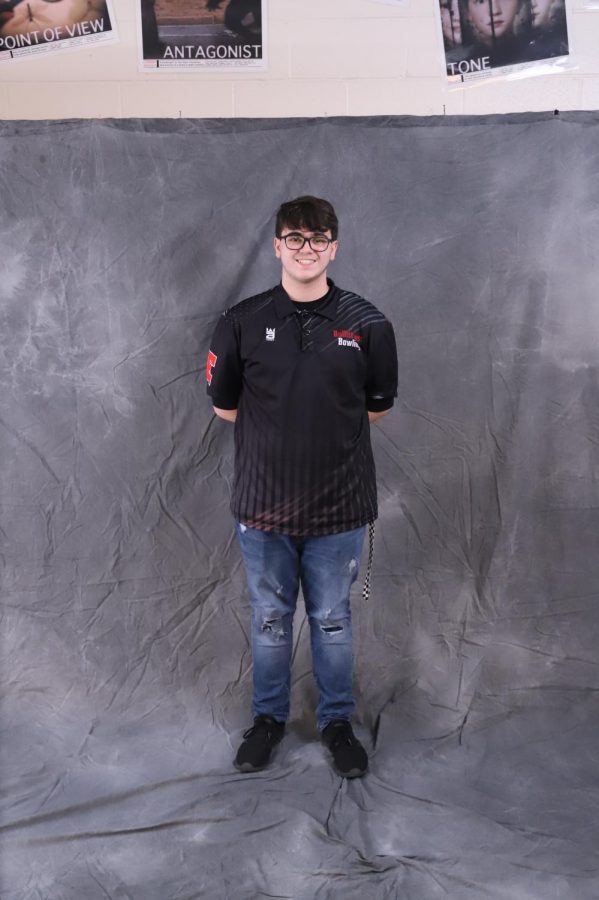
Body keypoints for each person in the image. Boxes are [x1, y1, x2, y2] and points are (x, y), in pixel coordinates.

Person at [206, 196, 398, 778]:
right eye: (295, 238)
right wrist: (283, 436)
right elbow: (226, 407)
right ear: (277, 246)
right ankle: (267, 721)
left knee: (333, 620)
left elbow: (376, 408)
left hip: (339, 508)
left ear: (334, 247)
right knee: (269, 618)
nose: (306, 249)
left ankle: (338, 724)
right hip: (262, 506)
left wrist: (317, 435)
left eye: (318, 239)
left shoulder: (368, 324)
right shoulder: (240, 321)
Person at [458, 0, 530, 68]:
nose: (494, 11)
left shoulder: (534, 55)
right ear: (467, 13)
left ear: (519, 4)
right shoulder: (459, 65)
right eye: (481, 1)